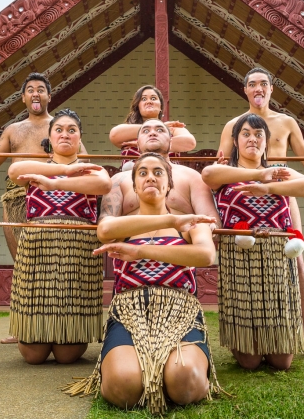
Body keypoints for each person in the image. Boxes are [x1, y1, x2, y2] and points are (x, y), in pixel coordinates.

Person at [65, 153, 221, 415]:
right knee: (122, 387)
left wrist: (141, 251)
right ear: (134, 186)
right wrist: (170, 220)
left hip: (179, 311)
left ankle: (167, 373)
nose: (151, 177)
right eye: (143, 173)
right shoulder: (122, 225)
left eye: (159, 172)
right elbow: (103, 231)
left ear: (169, 185)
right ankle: (145, 371)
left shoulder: (190, 222)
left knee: (185, 383)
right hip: (129, 312)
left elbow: (205, 255)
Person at [217, 67, 304, 359]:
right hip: (244, 196)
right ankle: (248, 332)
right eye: (252, 83)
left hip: (281, 194)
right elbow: (222, 164)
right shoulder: (234, 124)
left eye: (264, 84)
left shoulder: (287, 122)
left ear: (271, 90)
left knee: (298, 262)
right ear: (245, 90)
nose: (258, 88)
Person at [203, 114, 304, 370]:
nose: (253, 139)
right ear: (235, 141)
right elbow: (208, 173)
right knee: (249, 361)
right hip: (240, 259)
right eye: (246, 134)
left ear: (266, 142)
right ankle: (246, 343)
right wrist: (260, 173)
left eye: (259, 135)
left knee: (282, 362)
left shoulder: (282, 174)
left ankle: (287, 338)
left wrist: (269, 187)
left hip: (276, 259)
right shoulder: (226, 173)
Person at [0, 73, 86, 344]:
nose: (35, 94)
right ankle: (23, 326)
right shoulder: (13, 130)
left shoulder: (60, 126)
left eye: (41, 90)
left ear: (49, 96)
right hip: (16, 198)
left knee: (49, 263)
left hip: (52, 199)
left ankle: (57, 323)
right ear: (24, 98)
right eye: (30, 90)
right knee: (22, 263)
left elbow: (83, 158)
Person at [5, 109, 111, 365]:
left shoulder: (90, 170)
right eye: (59, 130)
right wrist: (59, 169)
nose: (65, 134)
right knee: (33, 355)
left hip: (77, 251)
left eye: (72, 130)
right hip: (38, 248)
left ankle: (67, 333)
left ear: (79, 138)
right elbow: (14, 170)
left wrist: (59, 179)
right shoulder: (33, 169)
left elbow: (104, 185)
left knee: (67, 355)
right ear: (50, 138)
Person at [102, 118, 218, 224]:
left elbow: (211, 220)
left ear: (171, 143)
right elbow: (105, 225)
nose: (152, 133)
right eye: (146, 131)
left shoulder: (192, 176)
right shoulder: (118, 180)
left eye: (160, 130)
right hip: (132, 241)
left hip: (180, 243)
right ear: (137, 145)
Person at [109, 85, 196, 161]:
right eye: (143, 99)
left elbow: (190, 142)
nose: (149, 101)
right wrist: (159, 127)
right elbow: (114, 135)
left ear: (161, 106)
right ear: (138, 107)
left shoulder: (173, 128)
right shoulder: (128, 130)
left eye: (153, 98)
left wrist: (145, 144)